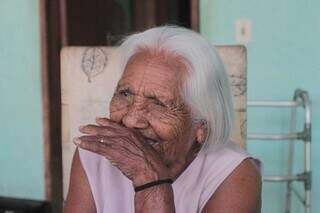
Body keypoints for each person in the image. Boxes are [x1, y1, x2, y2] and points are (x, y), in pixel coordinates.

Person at [64, 26, 261, 213]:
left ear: (202, 126)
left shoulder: (235, 174)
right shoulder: (93, 155)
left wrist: (150, 181)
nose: (131, 120)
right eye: (124, 94)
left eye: (158, 104)